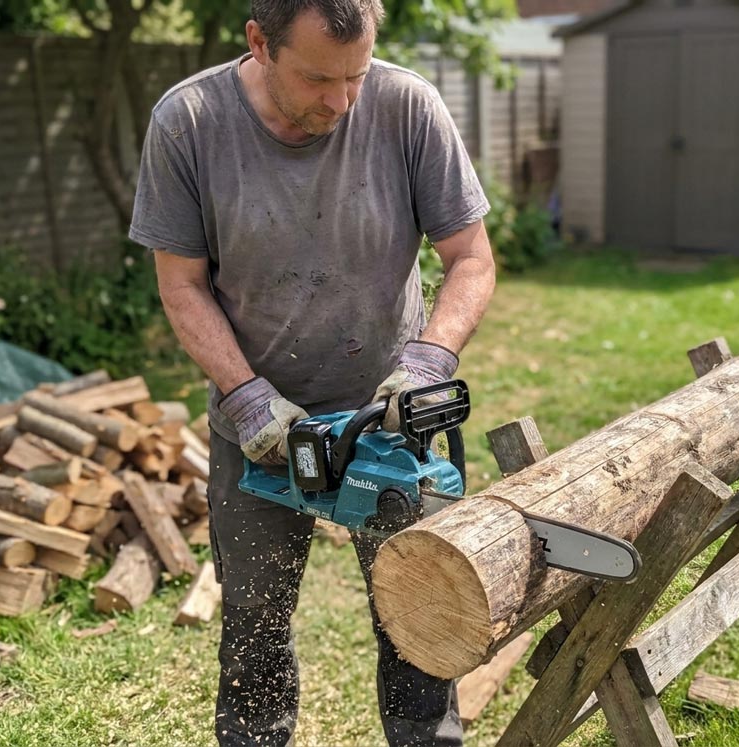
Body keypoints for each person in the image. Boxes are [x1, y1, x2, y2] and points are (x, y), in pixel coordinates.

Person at [127, 1, 496, 744]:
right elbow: (182, 285)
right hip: (260, 422)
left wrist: (427, 361)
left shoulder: (407, 106)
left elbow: (471, 260)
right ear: (259, 43)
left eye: (356, 74)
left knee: (417, 610)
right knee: (256, 615)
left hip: (386, 419)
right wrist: (248, 397)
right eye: (319, 78)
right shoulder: (190, 122)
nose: (343, 99)